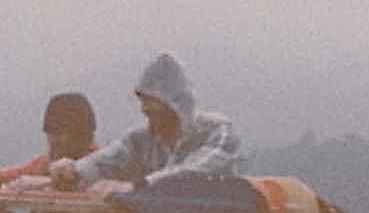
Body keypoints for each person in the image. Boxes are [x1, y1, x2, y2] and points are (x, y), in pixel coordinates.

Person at [50, 52, 240, 195]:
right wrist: (74, 170)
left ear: (172, 101)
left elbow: (194, 171)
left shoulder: (219, 131)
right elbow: (109, 159)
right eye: (142, 101)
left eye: (150, 101)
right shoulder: (140, 139)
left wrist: (137, 186)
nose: (144, 109)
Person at [0, 92, 98, 190]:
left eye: (66, 134)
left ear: (85, 137)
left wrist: (47, 183)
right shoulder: (44, 164)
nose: (59, 141)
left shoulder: (106, 168)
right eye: (53, 134)